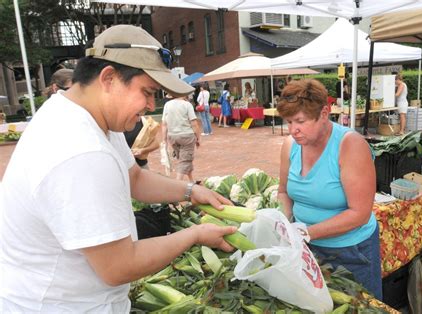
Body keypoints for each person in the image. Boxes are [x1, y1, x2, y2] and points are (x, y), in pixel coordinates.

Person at [0, 25, 236, 312]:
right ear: (108, 78)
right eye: (147, 92)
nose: (151, 105)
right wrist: (195, 235)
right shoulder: (79, 150)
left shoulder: (86, 115)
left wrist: (190, 191)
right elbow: (118, 266)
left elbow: (134, 177)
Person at [276, 79, 382, 300]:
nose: (293, 130)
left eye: (300, 121)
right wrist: (285, 220)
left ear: (324, 113)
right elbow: (284, 191)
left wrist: (306, 232)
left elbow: (360, 214)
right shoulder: (290, 145)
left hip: (350, 251)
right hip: (307, 249)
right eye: (288, 122)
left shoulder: (350, 145)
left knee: (358, 305)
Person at [162, 95, 201, 182]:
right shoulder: (187, 105)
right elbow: (194, 123)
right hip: (187, 136)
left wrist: (164, 139)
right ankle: (177, 184)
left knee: (183, 159)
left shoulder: (167, 104)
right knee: (185, 161)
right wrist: (198, 137)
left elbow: (164, 123)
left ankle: (191, 181)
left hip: (172, 136)